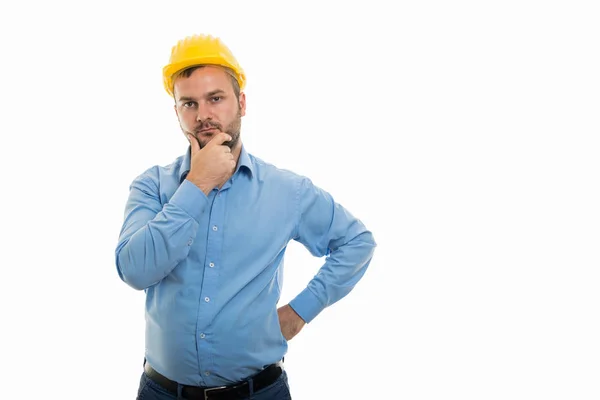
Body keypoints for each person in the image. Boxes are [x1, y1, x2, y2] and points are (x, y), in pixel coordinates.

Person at [114, 33, 377, 400]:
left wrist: (301, 311)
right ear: (177, 112)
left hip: (259, 392)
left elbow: (357, 242)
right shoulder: (151, 186)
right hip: (163, 392)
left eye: (216, 98)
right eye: (189, 103)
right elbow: (134, 270)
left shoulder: (288, 191)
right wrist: (197, 184)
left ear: (241, 102)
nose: (203, 114)